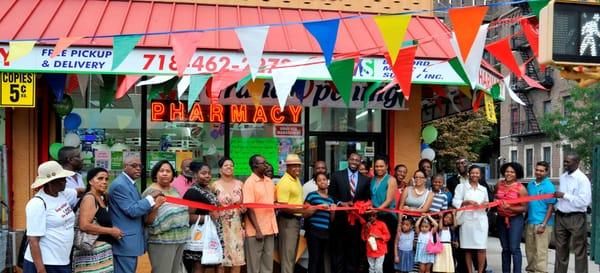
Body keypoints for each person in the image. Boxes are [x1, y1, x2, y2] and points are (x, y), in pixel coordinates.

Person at [109, 156, 165, 273]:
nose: (138, 168)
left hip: (130, 241)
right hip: (124, 240)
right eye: (134, 166)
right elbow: (132, 210)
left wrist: (153, 206)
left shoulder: (129, 183)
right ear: (125, 166)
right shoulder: (120, 185)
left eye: (140, 166)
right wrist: (151, 197)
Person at [23, 161, 82, 273]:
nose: (65, 181)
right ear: (51, 182)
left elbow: (79, 192)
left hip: (62, 260)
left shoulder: (62, 194)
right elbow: (33, 240)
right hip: (45, 263)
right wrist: (41, 270)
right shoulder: (37, 203)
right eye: (62, 179)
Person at [72, 167, 124, 273]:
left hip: (102, 251)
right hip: (90, 251)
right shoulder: (89, 198)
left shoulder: (102, 197)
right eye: (100, 178)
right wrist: (111, 231)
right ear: (90, 181)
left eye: (106, 179)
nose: (104, 182)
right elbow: (84, 225)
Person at [142, 160, 190, 273]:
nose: (165, 173)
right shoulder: (150, 192)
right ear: (155, 174)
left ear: (172, 175)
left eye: (168, 171)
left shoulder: (174, 190)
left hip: (179, 239)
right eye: (161, 171)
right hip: (161, 241)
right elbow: (146, 220)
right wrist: (156, 206)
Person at [328, 152, 371, 273]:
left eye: (357, 160)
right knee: (339, 252)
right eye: (352, 159)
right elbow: (331, 196)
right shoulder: (336, 176)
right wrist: (341, 203)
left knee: (353, 253)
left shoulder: (366, 180)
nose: (354, 162)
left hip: (357, 223)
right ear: (348, 160)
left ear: (360, 162)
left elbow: (367, 199)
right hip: (339, 221)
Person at [554, 154, 591, 273]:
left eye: (568, 162)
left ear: (577, 162)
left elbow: (585, 201)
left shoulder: (582, 179)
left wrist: (565, 195)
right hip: (560, 216)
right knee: (560, 250)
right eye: (564, 162)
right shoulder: (563, 177)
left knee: (579, 250)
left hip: (576, 217)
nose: (565, 164)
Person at [183, 161, 223, 273]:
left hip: (213, 234)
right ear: (195, 175)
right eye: (203, 173)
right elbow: (188, 217)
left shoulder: (209, 190)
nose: (207, 176)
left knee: (215, 264)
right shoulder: (192, 193)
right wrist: (208, 217)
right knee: (199, 266)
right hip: (200, 237)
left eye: (209, 173)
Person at [243, 154, 278, 273]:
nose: (266, 165)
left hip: (270, 229)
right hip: (255, 231)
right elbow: (249, 208)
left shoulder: (269, 181)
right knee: (254, 266)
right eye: (264, 163)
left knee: (268, 265)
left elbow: (274, 203)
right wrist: (257, 230)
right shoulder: (249, 183)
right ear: (255, 166)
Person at [452, 165, 489, 273]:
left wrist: (486, 205)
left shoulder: (483, 189)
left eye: (477, 173)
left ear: (480, 175)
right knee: (467, 248)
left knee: (481, 248)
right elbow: (455, 201)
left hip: (480, 220)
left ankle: (481, 271)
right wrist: (466, 202)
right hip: (467, 220)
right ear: (469, 173)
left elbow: (487, 203)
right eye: (472, 173)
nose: (475, 175)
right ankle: (469, 271)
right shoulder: (461, 187)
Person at [212, 157, 245, 273]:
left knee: (237, 259)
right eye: (226, 165)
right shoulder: (214, 185)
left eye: (231, 165)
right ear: (220, 169)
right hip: (220, 225)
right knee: (221, 259)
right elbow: (211, 205)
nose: (229, 167)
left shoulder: (240, 184)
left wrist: (243, 208)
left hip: (236, 226)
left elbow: (244, 205)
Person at [496, 162, 528, 273]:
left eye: (512, 172)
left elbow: (524, 208)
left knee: (514, 248)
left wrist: (510, 207)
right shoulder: (499, 184)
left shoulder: (521, 189)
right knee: (505, 249)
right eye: (507, 171)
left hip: (515, 220)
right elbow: (495, 197)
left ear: (516, 174)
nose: (509, 174)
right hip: (501, 219)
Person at [525, 161, 556, 273]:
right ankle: (531, 270)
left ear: (547, 172)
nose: (538, 172)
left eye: (541, 171)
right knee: (530, 251)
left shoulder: (549, 186)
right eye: (537, 170)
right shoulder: (530, 184)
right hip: (530, 222)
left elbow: (550, 207)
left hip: (543, 224)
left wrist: (543, 225)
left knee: (541, 252)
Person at [275, 154, 305, 273]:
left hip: (296, 221)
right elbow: (283, 207)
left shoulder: (296, 179)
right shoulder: (284, 182)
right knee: (287, 256)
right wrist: (303, 211)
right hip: (288, 221)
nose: (297, 168)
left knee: (292, 255)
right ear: (287, 167)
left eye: (299, 166)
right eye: (294, 166)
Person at [369, 155, 398, 273]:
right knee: (374, 247)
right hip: (375, 217)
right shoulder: (373, 179)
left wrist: (377, 209)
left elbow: (389, 200)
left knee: (386, 247)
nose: (379, 168)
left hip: (388, 217)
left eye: (381, 166)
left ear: (386, 166)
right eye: (376, 166)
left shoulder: (391, 179)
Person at [303, 173, 335, 273]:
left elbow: (331, 220)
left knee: (321, 259)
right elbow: (304, 214)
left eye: (324, 179)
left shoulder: (330, 199)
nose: (322, 181)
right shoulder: (311, 195)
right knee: (314, 259)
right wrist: (318, 207)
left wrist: (333, 211)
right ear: (316, 183)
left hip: (325, 232)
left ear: (327, 181)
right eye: (319, 180)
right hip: (313, 231)